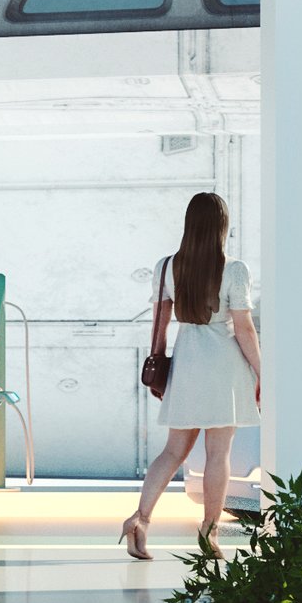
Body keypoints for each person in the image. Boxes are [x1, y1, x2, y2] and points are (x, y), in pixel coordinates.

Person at [125, 192, 261, 562]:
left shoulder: (166, 267)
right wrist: (261, 372)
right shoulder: (234, 270)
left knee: (172, 451)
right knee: (218, 453)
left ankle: (140, 520)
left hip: (186, 362)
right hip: (224, 366)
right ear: (222, 226)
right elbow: (244, 329)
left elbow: (160, 324)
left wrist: (159, 367)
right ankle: (208, 533)